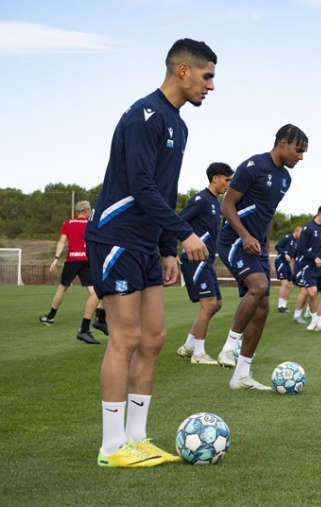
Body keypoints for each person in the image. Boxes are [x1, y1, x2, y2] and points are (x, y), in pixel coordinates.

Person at [85, 38, 216, 467]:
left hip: (145, 243)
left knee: (155, 338)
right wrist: (184, 234)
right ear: (182, 70)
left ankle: (137, 439)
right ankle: (111, 447)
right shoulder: (144, 116)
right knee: (125, 337)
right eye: (206, 76)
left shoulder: (179, 126)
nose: (210, 86)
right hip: (116, 236)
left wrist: (165, 249)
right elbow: (141, 186)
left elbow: (165, 191)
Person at [215, 124, 308, 389]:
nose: (300, 157)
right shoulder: (253, 166)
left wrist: (265, 250)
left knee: (263, 309)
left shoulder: (285, 179)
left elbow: (266, 216)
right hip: (233, 240)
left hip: (255, 247)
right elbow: (227, 204)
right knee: (259, 287)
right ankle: (229, 347)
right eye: (298, 150)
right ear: (282, 143)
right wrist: (244, 236)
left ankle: (241, 375)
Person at [175, 162, 233, 365]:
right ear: (215, 178)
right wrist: (183, 245)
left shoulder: (216, 203)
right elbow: (179, 221)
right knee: (208, 304)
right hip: (195, 260)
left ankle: (189, 346)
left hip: (206, 261)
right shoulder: (201, 199)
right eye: (227, 180)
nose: (228, 184)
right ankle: (198, 354)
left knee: (216, 303)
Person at [39, 200, 107, 344]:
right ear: (87, 211)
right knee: (94, 292)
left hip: (72, 260)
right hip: (87, 261)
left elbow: (62, 242)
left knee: (63, 288)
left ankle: (50, 316)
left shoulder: (68, 224)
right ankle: (100, 316)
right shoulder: (91, 224)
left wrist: (56, 258)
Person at [292, 205, 321, 332]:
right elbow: (301, 248)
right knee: (311, 293)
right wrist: (314, 257)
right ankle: (314, 320)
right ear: (320, 214)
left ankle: (320, 323)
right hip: (308, 266)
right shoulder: (308, 228)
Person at [275, 226, 301, 313]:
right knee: (285, 283)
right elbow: (277, 246)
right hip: (280, 262)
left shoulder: (297, 242)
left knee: (290, 285)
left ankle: (284, 306)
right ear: (296, 231)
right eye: (300, 234)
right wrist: (284, 254)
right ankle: (280, 306)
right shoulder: (287, 237)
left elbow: (296, 254)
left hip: (287, 264)